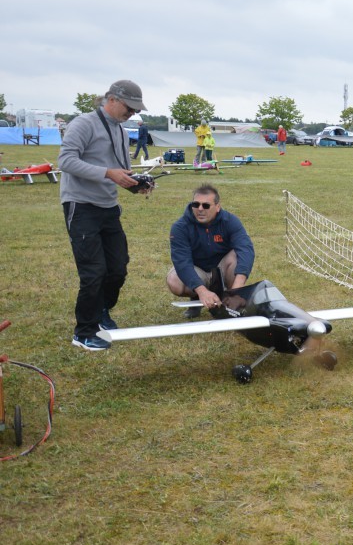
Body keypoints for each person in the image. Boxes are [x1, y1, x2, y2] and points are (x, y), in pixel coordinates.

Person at [58, 80, 151, 350]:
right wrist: (107, 173)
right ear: (111, 99)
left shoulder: (121, 130)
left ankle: (100, 311)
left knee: (118, 268)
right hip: (81, 205)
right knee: (93, 271)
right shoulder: (83, 123)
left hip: (108, 208)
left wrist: (136, 184)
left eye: (136, 109)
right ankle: (84, 332)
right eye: (129, 107)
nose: (132, 113)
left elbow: (121, 169)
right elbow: (65, 161)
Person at [167, 184, 255, 318]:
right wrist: (201, 291)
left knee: (238, 255)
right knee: (174, 281)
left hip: (222, 269)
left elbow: (246, 249)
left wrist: (236, 292)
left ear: (217, 207)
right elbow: (182, 262)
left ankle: (229, 300)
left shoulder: (230, 221)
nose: (200, 209)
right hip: (197, 270)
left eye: (206, 205)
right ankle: (196, 297)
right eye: (196, 204)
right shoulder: (180, 227)